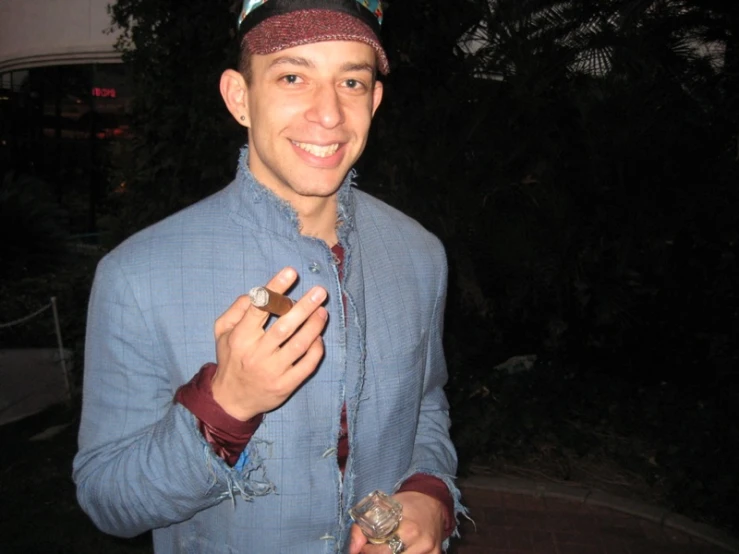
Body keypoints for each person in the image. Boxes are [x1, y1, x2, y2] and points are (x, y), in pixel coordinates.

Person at [73, 1, 465, 552]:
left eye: (351, 81)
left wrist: (428, 495)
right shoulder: (136, 276)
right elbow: (107, 501)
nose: (328, 113)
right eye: (292, 76)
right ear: (240, 97)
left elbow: (425, 405)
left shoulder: (420, 254)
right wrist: (225, 407)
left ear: (374, 100)